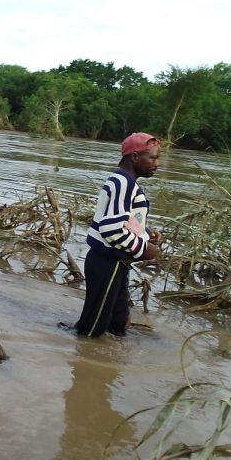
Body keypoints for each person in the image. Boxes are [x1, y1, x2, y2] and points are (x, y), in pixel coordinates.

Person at [75, 132, 162, 337]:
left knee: (117, 323)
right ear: (134, 157)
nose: (158, 164)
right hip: (108, 262)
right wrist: (144, 250)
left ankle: (107, 363)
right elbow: (110, 229)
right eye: (153, 157)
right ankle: (85, 363)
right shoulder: (124, 184)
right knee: (92, 330)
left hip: (113, 262)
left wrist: (146, 233)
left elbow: (121, 220)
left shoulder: (122, 181)